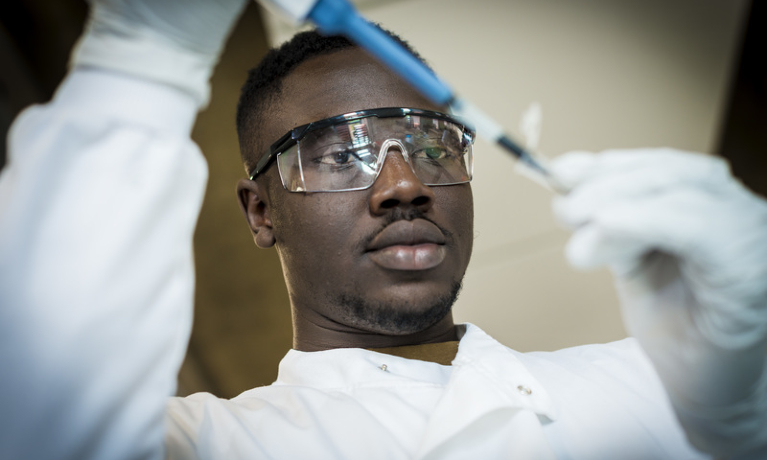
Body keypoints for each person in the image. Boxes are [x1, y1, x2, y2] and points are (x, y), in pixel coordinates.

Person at [1, 1, 765, 459]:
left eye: (431, 145)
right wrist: (141, 66)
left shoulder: (668, 391)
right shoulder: (209, 444)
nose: (403, 185)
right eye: (340, 155)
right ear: (260, 212)